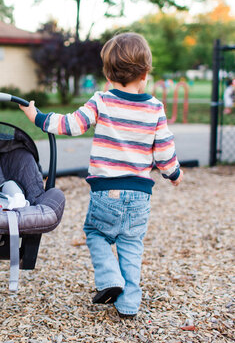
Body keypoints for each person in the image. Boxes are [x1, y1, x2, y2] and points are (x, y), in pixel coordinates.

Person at [20, 32, 183, 318]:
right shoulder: (155, 107)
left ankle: (109, 278)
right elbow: (164, 151)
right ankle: (129, 303)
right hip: (139, 195)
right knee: (131, 245)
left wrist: (38, 117)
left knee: (96, 234)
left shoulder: (102, 101)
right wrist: (174, 174)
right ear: (145, 73)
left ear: (108, 74)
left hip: (105, 193)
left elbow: (71, 124)